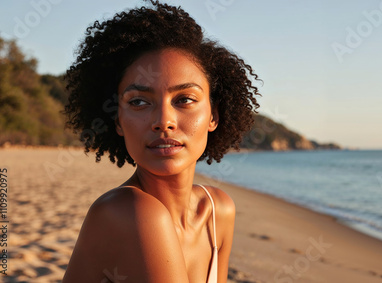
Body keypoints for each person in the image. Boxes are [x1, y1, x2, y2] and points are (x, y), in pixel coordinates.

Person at [62, 1, 261, 282]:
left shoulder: (219, 211)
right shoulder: (127, 210)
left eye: (184, 100)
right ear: (117, 120)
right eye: (139, 102)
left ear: (213, 115)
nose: (163, 120)